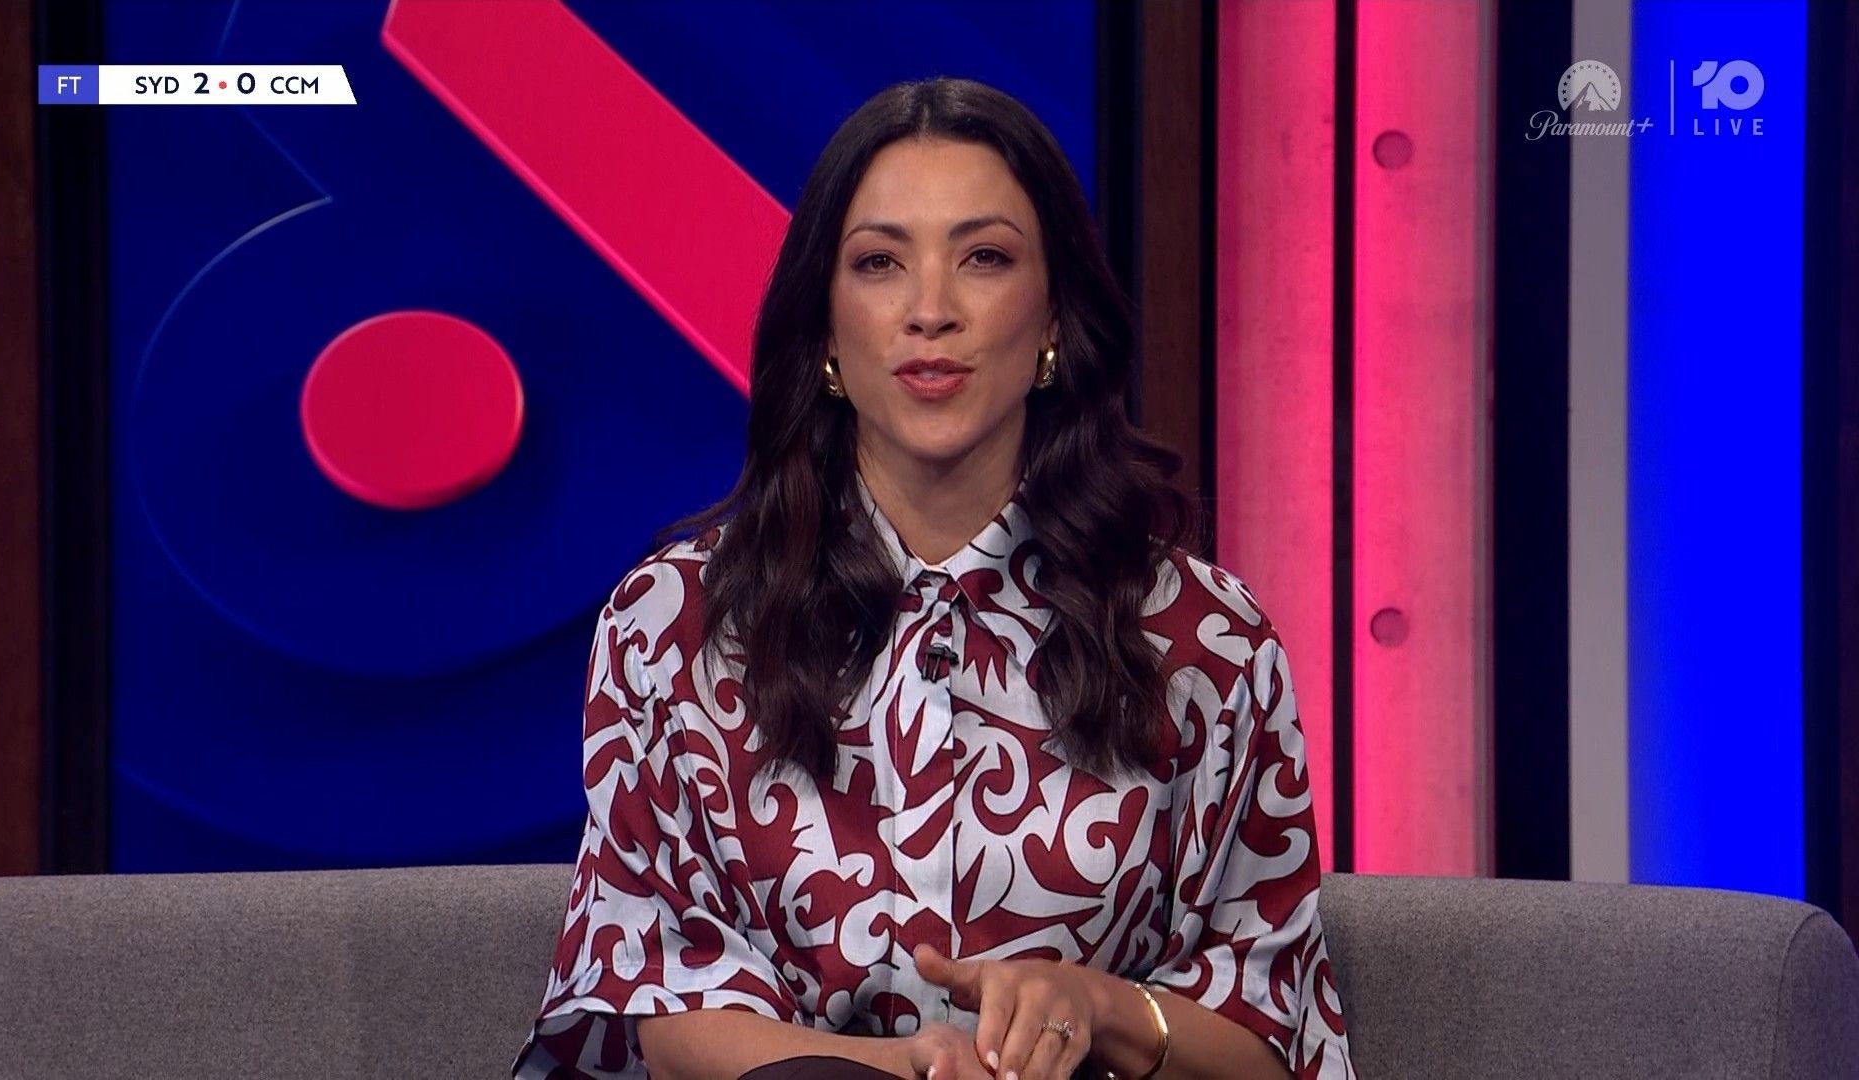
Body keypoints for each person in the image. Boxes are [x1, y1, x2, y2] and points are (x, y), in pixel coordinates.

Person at [511, 76, 1356, 1080]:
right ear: (826, 332)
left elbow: (1274, 1035)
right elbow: (658, 996)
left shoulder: (1203, 639)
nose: (930, 311)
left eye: (983, 258)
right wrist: (888, 1070)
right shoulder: (675, 625)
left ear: (1053, 320)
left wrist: (1100, 1007)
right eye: (880, 263)